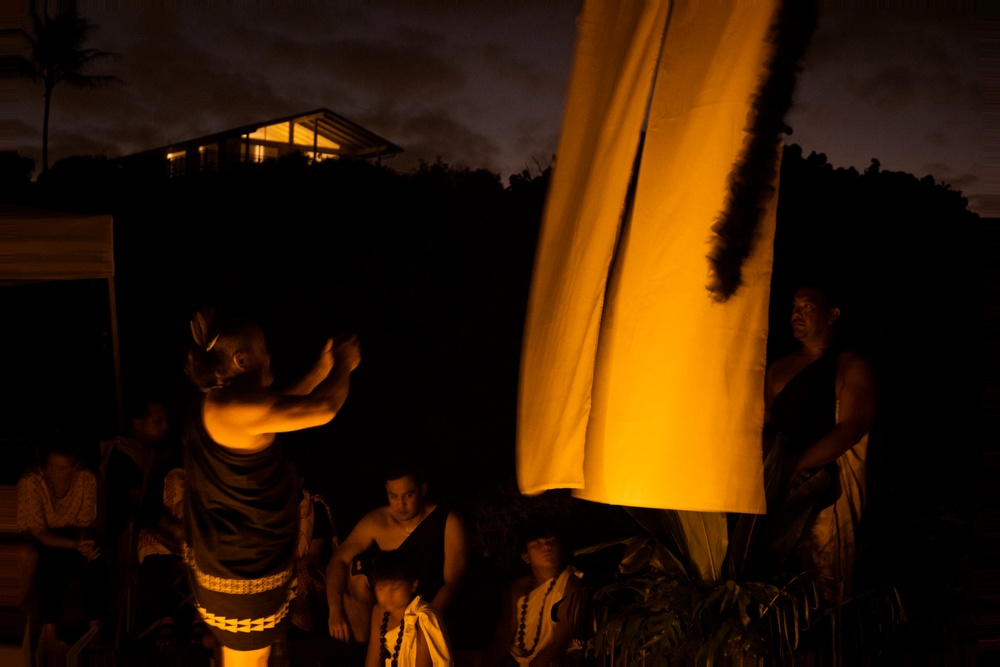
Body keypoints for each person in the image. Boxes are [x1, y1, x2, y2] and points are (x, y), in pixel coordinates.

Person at [182, 308, 360, 667]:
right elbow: (323, 408)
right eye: (264, 346)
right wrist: (344, 366)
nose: (270, 353)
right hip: (240, 572)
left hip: (244, 566)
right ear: (241, 359)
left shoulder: (229, 403)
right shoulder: (229, 407)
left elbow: (276, 410)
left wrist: (320, 371)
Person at [761, 285, 876, 602]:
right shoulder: (778, 369)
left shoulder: (851, 366)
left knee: (823, 587)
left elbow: (851, 427)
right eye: (794, 306)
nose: (796, 313)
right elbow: (765, 426)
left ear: (832, 315)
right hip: (780, 488)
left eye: (807, 306)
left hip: (826, 487)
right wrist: (778, 468)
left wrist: (797, 464)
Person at [327, 464, 468, 644]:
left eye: (408, 495)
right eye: (393, 496)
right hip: (391, 608)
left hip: (430, 607)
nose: (401, 505)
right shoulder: (377, 521)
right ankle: (364, 647)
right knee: (355, 570)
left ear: (422, 489)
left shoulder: (448, 521)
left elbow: (453, 583)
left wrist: (421, 622)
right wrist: (335, 611)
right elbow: (337, 560)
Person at [17, 436, 105, 650]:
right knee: (51, 561)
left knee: (93, 558)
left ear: (75, 467)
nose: (55, 473)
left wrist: (84, 541)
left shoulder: (86, 479)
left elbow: (85, 521)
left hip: (73, 533)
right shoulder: (32, 482)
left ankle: (95, 629)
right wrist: (74, 545)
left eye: (63, 469)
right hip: (45, 537)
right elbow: (37, 532)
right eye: (51, 467)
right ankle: (49, 633)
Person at [483, 524, 582, 667]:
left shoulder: (571, 583)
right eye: (537, 544)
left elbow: (560, 642)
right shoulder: (518, 588)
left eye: (551, 541)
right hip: (516, 658)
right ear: (526, 557)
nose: (547, 547)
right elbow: (502, 637)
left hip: (554, 661)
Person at [102, 397, 170, 551]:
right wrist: (172, 527)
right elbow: (141, 506)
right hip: (128, 537)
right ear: (138, 424)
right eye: (158, 420)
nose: (166, 425)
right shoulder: (123, 457)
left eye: (166, 419)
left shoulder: (152, 453)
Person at [364, 550, 453, 667]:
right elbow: (372, 662)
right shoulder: (379, 611)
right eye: (381, 588)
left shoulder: (423, 617)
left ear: (413, 585)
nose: (387, 595)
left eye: (395, 588)